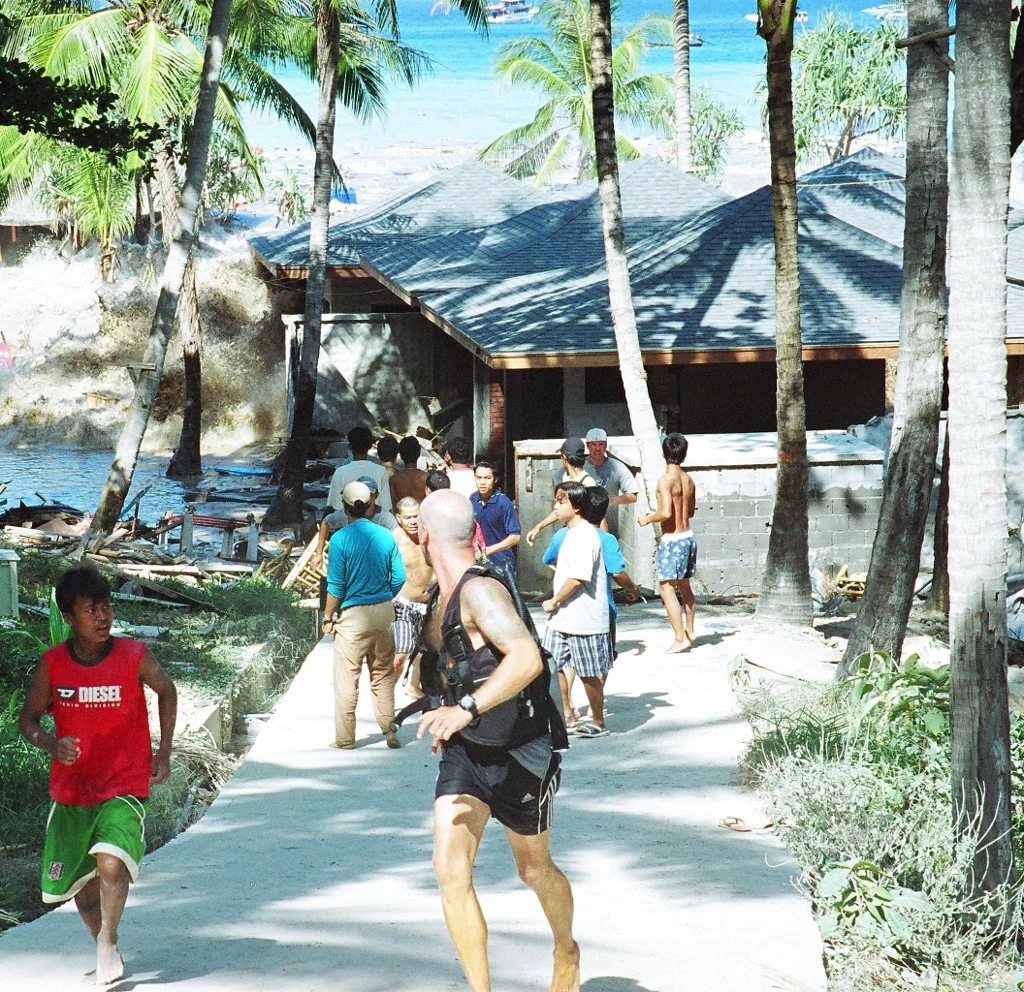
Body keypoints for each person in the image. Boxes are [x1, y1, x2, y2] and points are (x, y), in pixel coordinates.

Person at [415, 490, 580, 992]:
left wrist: (464, 708)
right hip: (469, 750)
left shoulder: (480, 591)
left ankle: (567, 951)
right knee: (450, 868)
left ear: (424, 536)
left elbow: (527, 658)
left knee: (533, 869)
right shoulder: (439, 591)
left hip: (522, 750)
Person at [18, 566, 178, 986]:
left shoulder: (134, 656)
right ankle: (101, 937)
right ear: (69, 618)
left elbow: (167, 690)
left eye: (106, 607)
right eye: (91, 610)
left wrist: (163, 751)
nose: (103, 616)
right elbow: (29, 720)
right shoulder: (52, 665)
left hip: (124, 784)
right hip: (72, 791)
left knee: (110, 862)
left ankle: (107, 940)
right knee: (81, 890)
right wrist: (51, 744)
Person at [323, 481, 406, 749]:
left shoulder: (340, 539)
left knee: (348, 678)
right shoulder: (385, 535)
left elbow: (335, 585)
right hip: (383, 611)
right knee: (382, 676)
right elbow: (400, 577)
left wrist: (328, 616)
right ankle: (389, 731)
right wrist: (384, 595)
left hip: (353, 616)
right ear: (370, 503)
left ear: (344, 505)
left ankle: (345, 739)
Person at [540, 481, 611, 738]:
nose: (556, 506)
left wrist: (554, 600)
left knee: (589, 674)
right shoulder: (568, 533)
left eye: (561, 501)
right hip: (562, 619)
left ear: (577, 507)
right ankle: (564, 715)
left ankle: (598, 721)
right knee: (552, 666)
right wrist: (554, 599)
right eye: (556, 500)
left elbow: (578, 578)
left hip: (586, 619)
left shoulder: (586, 535)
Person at [638, 432, 697, 653]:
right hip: (688, 536)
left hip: (672, 540)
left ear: (664, 453)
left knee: (666, 588)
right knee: (684, 586)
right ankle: (690, 631)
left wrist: (647, 518)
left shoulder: (665, 481)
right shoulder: (688, 480)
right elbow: (689, 511)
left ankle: (680, 638)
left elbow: (664, 512)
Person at [392, 496, 434, 694]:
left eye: (416, 516)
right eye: (407, 517)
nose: (412, 521)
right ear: (398, 518)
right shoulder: (393, 540)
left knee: (423, 649)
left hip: (429, 601)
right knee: (402, 650)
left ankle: (414, 686)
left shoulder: (430, 535)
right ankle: (385, 695)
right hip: (403, 603)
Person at [312, 476, 397, 570]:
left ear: (376, 495)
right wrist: (319, 553)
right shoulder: (344, 514)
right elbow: (326, 523)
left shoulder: (386, 518)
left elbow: (397, 539)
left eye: (370, 495)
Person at [526, 439, 596, 546]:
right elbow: (560, 509)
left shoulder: (588, 483)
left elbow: (596, 517)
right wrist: (538, 527)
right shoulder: (566, 477)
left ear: (564, 458)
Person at [470, 460, 521, 583]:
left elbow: (515, 537)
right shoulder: (472, 499)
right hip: (478, 562)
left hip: (501, 564)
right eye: (479, 478)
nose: (482, 482)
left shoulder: (503, 503)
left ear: (495, 479)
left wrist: (490, 549)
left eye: (487, 478)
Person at [583, 428, 638, 536]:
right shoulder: (580, 467)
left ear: (606, 445)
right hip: (584, 530)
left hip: (610, 532)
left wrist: (609, 501)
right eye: (594, 444)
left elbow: (633, 496)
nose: (597, 448)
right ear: (588, 446)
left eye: (601, 444)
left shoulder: (617, 467)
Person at [327, 425, 393, 514]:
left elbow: (335, 507)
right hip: (374, 525)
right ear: (370, 446)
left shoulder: (340, 472)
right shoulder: (381, 471)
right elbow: (386, 507)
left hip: (348, 524)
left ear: (350, 447)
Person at [390, 435, 429, 504]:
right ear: (419, 453)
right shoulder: (427, 478)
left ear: (401, 455)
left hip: (402, 514)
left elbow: (393, 505)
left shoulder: (394, 480)